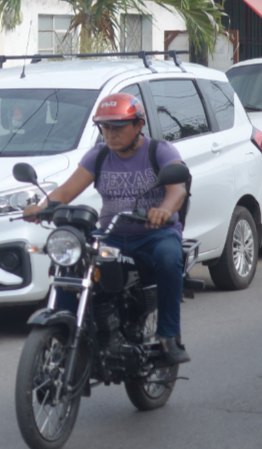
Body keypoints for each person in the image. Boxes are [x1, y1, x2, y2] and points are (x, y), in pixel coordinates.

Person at [23, 91, 191, 365]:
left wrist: (164, 210)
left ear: (138, 125)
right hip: (110, 235)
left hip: (153, 235)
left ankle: (168, 335)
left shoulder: (159, 150)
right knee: (70, 260)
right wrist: (41, 207)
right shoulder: (99, 155)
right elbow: (66, 191)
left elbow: (177, 190)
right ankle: (63, 330)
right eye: (105, 127)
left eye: (118, 127)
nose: (110, 134)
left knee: (169, 257)